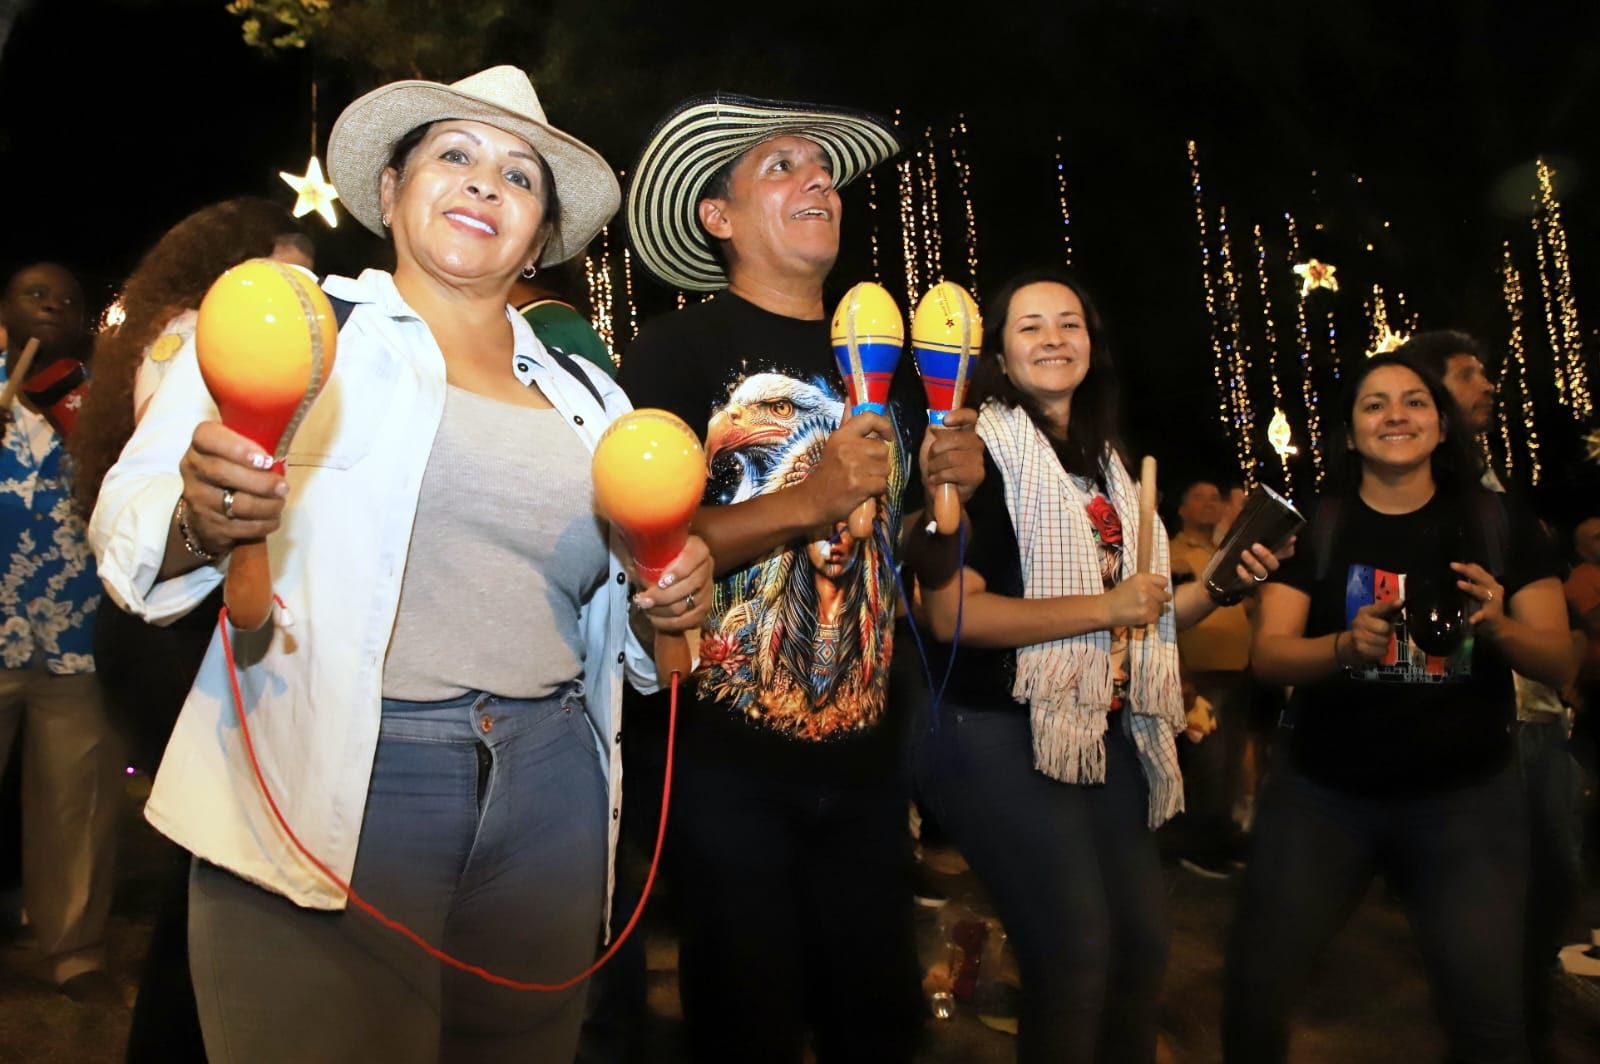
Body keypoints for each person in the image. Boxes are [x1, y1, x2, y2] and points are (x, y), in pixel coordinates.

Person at [89, 66, 713, 1063]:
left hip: (551, 784)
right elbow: (129, 535)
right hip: (341, 772)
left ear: (540, 234)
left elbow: (625, 625)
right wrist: (203, 519)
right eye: (453, 156)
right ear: (387, 193)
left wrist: (663, 597)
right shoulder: (290, 327)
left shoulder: (593, 394)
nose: (483, 184)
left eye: (518, 175)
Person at [618, 92, 984, 1063]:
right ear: (719, 217)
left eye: (818, 165)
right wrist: (804, 499)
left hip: (867, 770)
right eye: (778, 166)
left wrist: (950, 504)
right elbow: (644, 540)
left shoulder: (884, 363)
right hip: (724, 768)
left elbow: (915, 562)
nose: (815, 176)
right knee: (748, 1028)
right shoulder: (674, 351)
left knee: (879, 1027)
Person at [913, 267, 1281, 1063]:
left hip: (1098, 726)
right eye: (1030, 325)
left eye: (1069, 323)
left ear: (1093, 345)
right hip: (993, 728)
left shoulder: (1108, 466)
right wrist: (1106, 609)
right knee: (1076, 949)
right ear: (1000, 359)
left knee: (1142, 946)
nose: (1053, 337)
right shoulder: (975, 454)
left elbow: (1142, 616)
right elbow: (950, 613)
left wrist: (1220, 586)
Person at [1224, 350, 1574, 1063]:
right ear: (1351, 435)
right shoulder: (1319, 523)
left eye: (1414, 401)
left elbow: (1561, 663)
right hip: (1324, 795)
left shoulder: (1498, 520)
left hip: (1466, 800)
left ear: (1441, 426)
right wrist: (1343, 650)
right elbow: (1269, 656)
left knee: (1489, 1016)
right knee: (1257, 992)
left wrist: (1498, 624)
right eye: (1374, 403)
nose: (1396, 416)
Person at [69, 196, 312, 1062]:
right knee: (217, 858)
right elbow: (165, 491)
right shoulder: (200, 335)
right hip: (172, 606)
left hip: (200, 599)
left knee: (218, 864)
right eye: (283, 277)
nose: (304, 303)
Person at [1400, 328, 1582, 1056]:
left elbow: (1546, 624)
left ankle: (1518, 1024)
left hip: (1537, 715)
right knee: (1491, 905)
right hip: (1483, 726)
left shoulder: (1495, 488)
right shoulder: (1421, 496)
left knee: (1553, 889)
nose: (1489, 385)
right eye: (1470, 373)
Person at [0, 262, 125, 1005]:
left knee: (75, 804)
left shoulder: (104, 405)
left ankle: (72, 949)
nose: (53, 306)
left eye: (68, 299)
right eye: (34, 294)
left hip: (78, 636)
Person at [1167, 478, 1256, 877]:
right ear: (1182, 510)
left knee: (1233, 761)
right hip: (1197, 673)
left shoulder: (1225, 552)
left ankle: (1221, 837)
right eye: (1198, 497)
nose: (1208, 504)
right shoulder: (1170, 553)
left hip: (1237, 670)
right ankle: (1196, 844)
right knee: (1209, 762)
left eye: (1214, 498)